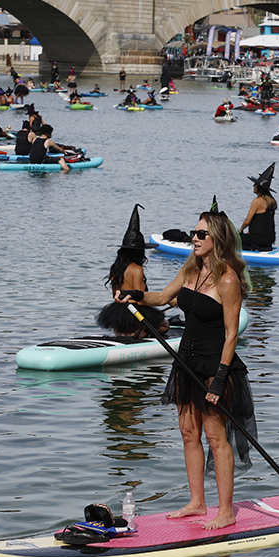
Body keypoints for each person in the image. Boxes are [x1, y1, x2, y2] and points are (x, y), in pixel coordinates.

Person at [120, 209, 256, 530]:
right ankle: (197, 502)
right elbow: (162, 297)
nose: (193, 238)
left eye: (200, 234)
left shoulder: (227, 280)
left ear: (218, 239)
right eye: (193, 233)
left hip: (215, 367)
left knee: (215, 437)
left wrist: (220, 380)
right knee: (188, 433)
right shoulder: (190, 269)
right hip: (186, 361)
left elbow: (232, 333)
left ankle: (226, 511)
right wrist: (135, 296)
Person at [95, 203, 168, 339]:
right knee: (165, 326)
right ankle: (141, 330)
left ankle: (127, 331)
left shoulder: (115, 268)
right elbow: (141, 299)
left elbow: (115, 296)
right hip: (135, 315)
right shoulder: (137, 269)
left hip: (119, 317)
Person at [239, 163, 278, 251]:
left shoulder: (257, 201)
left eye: (255, 184)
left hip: (258, 240)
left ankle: (251, 248)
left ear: (259, 187)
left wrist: (240, 230)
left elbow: (247, 221)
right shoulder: (272, 201)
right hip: (269, 240)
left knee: (233, 239)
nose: (253, 186)